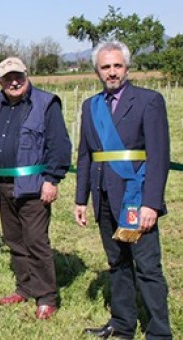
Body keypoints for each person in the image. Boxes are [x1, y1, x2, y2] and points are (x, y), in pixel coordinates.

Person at [75, 41, 172, 339]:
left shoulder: (149, 101)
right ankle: (122, 324)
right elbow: (85, 155)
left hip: (135, 198)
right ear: (97, 71)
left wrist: (151, 204)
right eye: (106, 67)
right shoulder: (89, 106)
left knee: (147, 268)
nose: (112, 72)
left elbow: (159, 157)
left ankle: (158, 332)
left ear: (127, 68)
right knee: (117, 263)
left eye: (117, 66)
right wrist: (81, 199)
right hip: (103, 195)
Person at [0, 57, 71, 319]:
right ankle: (25, 287)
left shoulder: (45, 103)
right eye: (8, 78)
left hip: (34, 186)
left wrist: (52, 179)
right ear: (0, 82)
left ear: (26, 75)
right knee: (14, 240)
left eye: (18, 76)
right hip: (3, 183)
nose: (14, 82)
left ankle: (46, 297)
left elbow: (59, 145)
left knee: (36, 241)